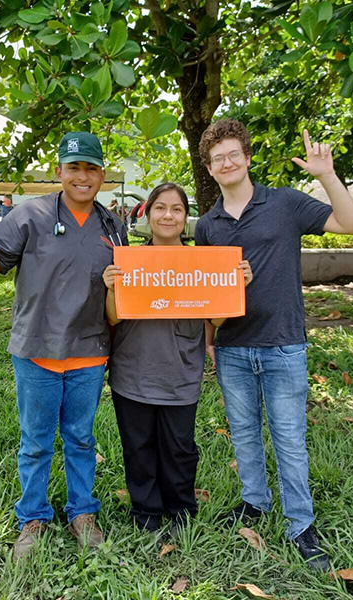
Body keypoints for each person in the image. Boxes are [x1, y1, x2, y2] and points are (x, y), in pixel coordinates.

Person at [0, 132, 128, 560]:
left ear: (103, 174)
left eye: (91, 168)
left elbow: (124, 286)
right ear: (59, 172)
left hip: (90, 350)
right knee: (36, 441)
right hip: (38, 350)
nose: (82, 177)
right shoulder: (31, 215)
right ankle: (33, 518)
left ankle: (82, 512)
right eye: (73, 168)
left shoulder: (112, 225)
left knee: (81, 438)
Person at [194, 119, 353, 572]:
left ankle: (300, 524)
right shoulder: (207, 224)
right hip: (231, 346)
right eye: (217, 159)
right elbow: (206, 292)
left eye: (233, 154)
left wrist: (326, 175)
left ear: (247, 158)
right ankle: (254, 502)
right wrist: (209, 342)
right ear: (209, 169)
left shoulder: (285, 202)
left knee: (288, 438)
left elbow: (352, 224)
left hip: (283, 344)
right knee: (244, 432)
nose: (226, 163)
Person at [102, 183, 252, 534]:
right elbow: (112, 317)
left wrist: (236, 287)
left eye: (177, 209)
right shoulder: (128, 261)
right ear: (147, 213)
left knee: (180, 447)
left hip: (181, 369)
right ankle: (146, 512)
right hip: (133, 369)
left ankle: (181, 509)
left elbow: (215, 320)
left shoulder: (204, 261)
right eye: (160, 208)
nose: (168, 215)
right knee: (138, 446)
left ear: (186, 218)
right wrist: (112, 287)